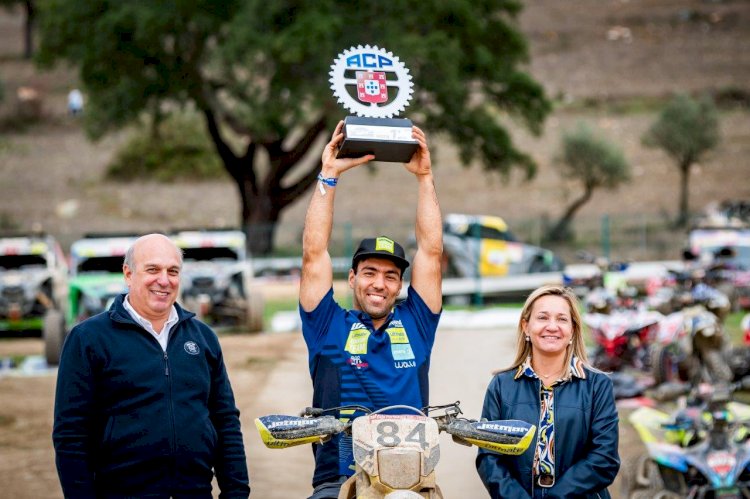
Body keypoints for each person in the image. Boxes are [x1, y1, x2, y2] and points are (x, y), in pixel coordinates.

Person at [299, 121, 443, 498]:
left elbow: (431, 252)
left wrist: (425, 178)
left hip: (411, 482)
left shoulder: (417, 323)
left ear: (400, 285)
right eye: (369, 273)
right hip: (337, 479)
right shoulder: (327, 324)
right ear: (351, 278)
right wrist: (328, 175)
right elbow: (314, 253)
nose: (379, 283)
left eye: (391, 276)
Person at [53, 233, 251, 498]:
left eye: (173, 271)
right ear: (128, 274)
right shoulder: (88, 339)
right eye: (153, 270)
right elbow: (71, 435)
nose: (164, 280)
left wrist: (236, 493)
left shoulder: (203, 338)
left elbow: (225, 422)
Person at [476, 284, 620, 498]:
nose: (552, 326)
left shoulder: (597, 385)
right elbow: (489, 457)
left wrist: (556, 496)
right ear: (526, 326)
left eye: (562, 319)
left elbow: (604, 458)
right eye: (542, 317)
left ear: (573, 330)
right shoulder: (501, 385)